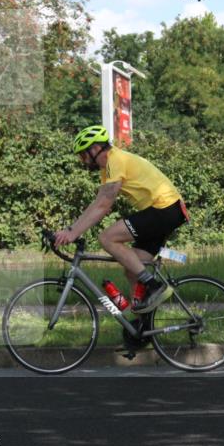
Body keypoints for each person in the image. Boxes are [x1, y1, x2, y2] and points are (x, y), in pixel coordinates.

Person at [54, 125, 189, 314]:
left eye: (83, 155)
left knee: (107, 238)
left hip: (164, 208)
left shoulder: (115, 160)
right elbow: (99, 203)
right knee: (132, 269)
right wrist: (72, 230)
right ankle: (142, 325)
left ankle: (153, 285)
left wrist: (72, 232)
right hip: (167, 211)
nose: (82, 160)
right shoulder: (108, 168)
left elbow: (103, 206)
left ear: (95, 149)